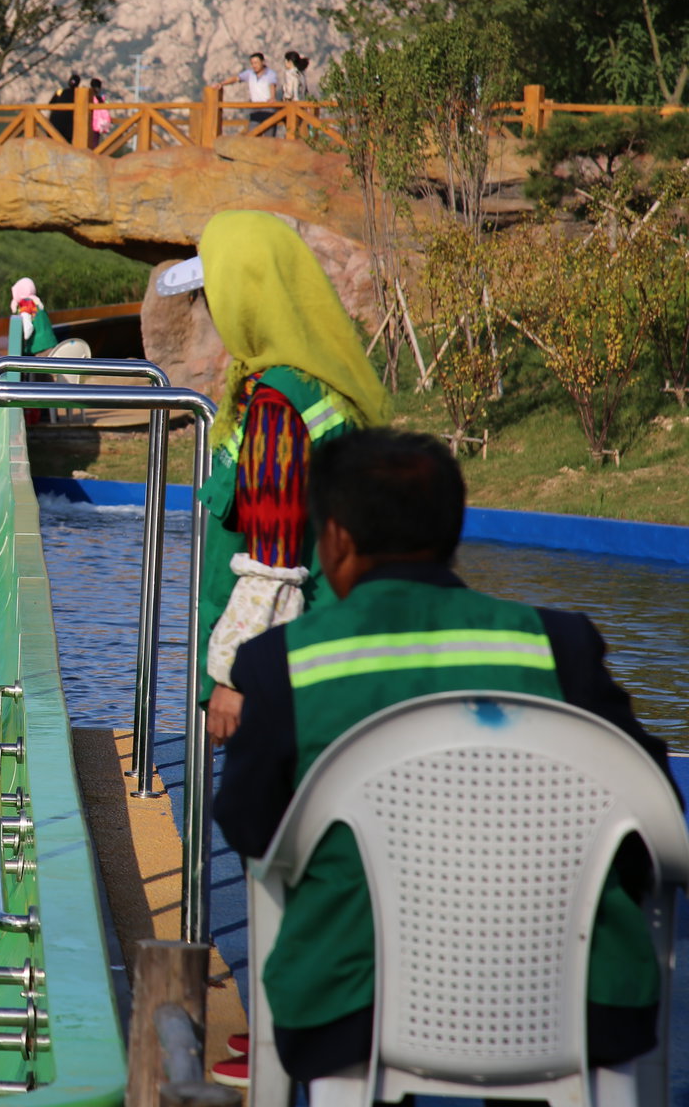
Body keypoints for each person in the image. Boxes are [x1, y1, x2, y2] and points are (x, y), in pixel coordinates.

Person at [213, 428, 676, 1101]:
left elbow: (250, 826)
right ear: (453, 534)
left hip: (351, 1007)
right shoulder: (559, 648)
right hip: (574, 1002)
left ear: (334, 539)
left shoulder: (283, 664)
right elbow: (654, 814)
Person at [160, 212, 392, 746]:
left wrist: (235, 676)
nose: (213, 309)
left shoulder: (279, 406)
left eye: (216, 292)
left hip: (286, 678)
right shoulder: (321, 385)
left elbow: (275, 559)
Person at [222, 52, 279, 132]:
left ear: (262, 62)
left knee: (269, 137)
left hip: (268, 108)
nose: (254, 65)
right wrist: (221, 84)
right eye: (252, 63)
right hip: (255, 108)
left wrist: (272, 97)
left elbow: (272, 85)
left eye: (256, 63)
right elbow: (236, 79)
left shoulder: (270, 74)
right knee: (252, 135)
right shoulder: (249, 73)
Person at [10, 277, 56, 355]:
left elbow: (28, 328)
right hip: (51, 345)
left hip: (38, 350)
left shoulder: (25, 305)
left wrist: (24, 341)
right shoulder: (38, 303)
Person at [47, 71, 79, 144]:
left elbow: (50, 104)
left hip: (54, 123)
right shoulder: (79, 95)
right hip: (69, 127)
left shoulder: (60, 92)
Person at [88, 76, 113, 149]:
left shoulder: (90, 98)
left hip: (90, 124)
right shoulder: (103, 99)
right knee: (95, 142)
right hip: (99, 125)